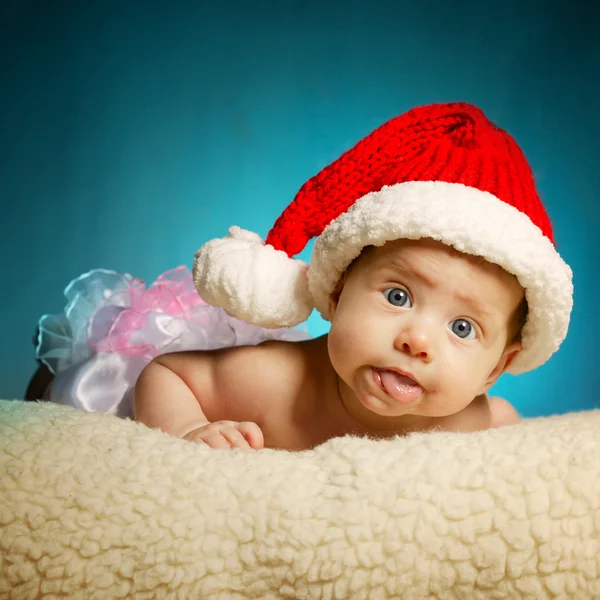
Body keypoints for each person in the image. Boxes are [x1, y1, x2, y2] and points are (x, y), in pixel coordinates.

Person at [35, 102, 573, 451]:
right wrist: (189, 431)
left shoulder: (485, 423)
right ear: (336, 292)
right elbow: (167, 373)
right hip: (125, 369)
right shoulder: (277, 380)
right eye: (398, 294)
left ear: (495, 368)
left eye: (463, 328)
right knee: (72, 390)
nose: (417, 339)